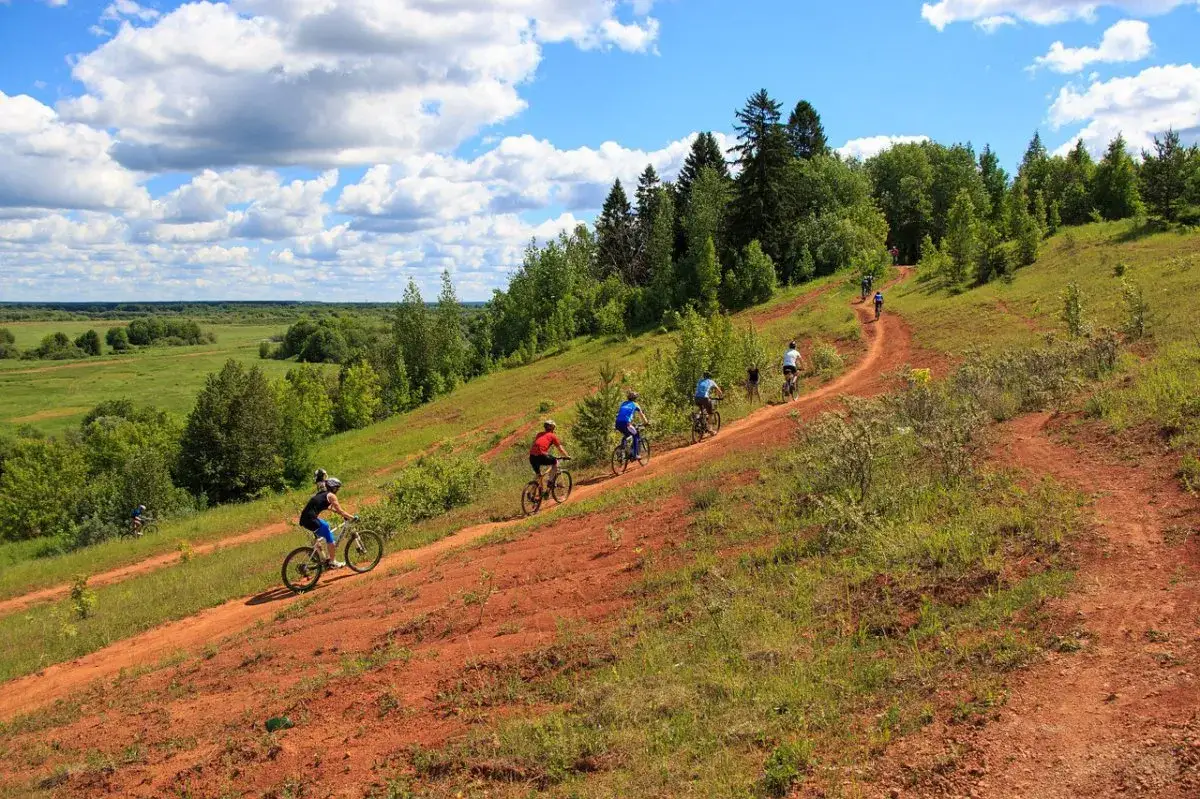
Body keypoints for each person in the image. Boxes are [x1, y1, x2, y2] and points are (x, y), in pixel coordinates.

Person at [299, 477, 356, 569]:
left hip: (305, 519)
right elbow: (340, 510)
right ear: (333, 488)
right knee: (328, 534)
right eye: (337, 488)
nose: (337, 490)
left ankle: (324, 559)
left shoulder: (321, 494)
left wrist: (339, 513)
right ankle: (333, 562)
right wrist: (352, 517)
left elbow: (326, 507)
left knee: (326, 526)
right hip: (310, 519)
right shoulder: (331, 496)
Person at [529, 420, 570, 494]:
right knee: (555, 462)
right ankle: (550, 482)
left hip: (532, 457)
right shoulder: (552, 436)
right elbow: (560, 448)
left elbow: (537, 444)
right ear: (553, 428)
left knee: (538, 475)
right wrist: (567, 456)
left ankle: (531, 492)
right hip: (542, 455)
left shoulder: (539, 434)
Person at [615, 391, 651, 459]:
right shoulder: (635, 404)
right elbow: (642, 415)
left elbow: (622, 413)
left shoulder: (623, 403)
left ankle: (621, 449)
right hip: (626, 423)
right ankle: (635, 454)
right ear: (635, 398)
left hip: (617, 423)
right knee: (636, 435)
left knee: (626, 435)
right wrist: (646, 422)